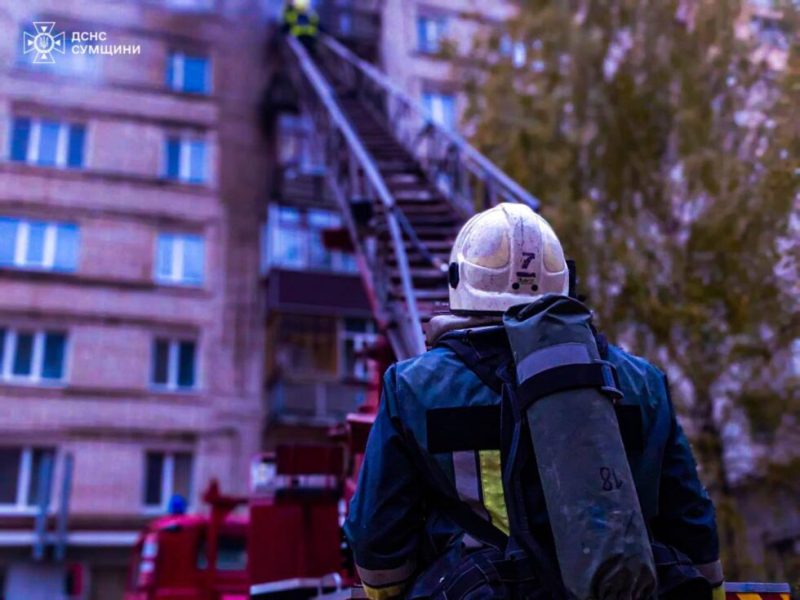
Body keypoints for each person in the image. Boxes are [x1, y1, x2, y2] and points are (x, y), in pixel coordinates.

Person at [344, 203, 724, 599]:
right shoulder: (642, 381)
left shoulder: (412, 387)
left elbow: (377, 537)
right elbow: (691, 520)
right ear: (564, 281)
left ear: (460, 277)